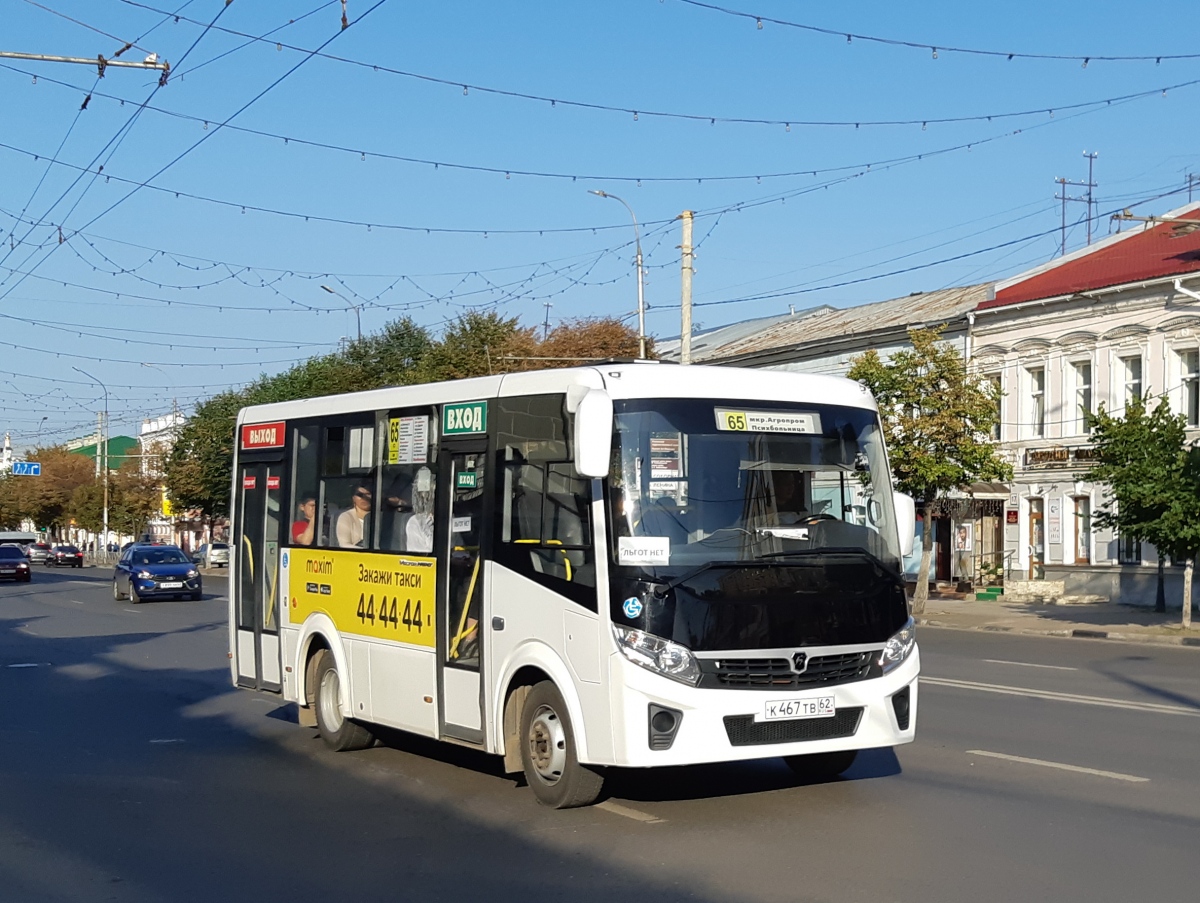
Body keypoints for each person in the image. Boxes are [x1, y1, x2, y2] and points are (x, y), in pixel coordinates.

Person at [405, 470, 435, 554]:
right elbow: (420, 560)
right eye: (426, 494)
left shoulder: (450, 518)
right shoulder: (416, 522)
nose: (427, 497)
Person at [336, 483, 373, 548]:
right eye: (360, 495)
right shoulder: (345, 517)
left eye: (368, 494)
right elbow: (344, 544)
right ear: (353, 498)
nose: (364, 498)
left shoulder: (381, 517)